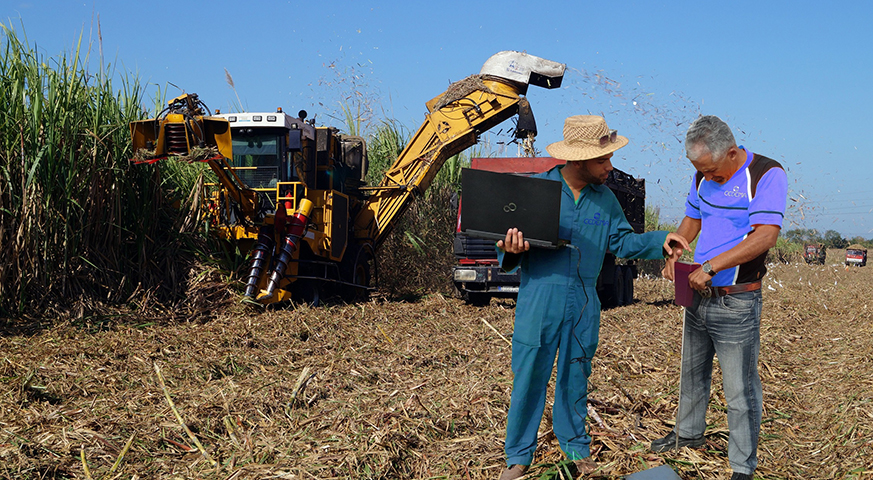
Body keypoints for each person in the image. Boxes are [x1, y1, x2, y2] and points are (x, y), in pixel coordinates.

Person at [496, 115, 690, 480]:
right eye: (602, 160)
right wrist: (511, 248)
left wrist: (659, 240)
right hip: (540, 296)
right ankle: (519, 456)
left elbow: (622, 242)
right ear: (578, 160)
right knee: (529, 376)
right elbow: (505, 248)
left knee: (576, 374)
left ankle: (575, 446)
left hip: (584, 300)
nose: (609, 166)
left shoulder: (606, 201)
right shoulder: (537, 191)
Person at [652, 115, 787, 480]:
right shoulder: (702, 176)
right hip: (697, 293)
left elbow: (764, 236)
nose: (707, 178)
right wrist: (676, 250)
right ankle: (688, 435)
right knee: (692, 373)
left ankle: (742, 467)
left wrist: (711, 267)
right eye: (701, 171)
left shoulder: (765, 174)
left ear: (731, 153)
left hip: (736, 300)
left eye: (712, 171)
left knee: (739, 388)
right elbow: (691, 220)